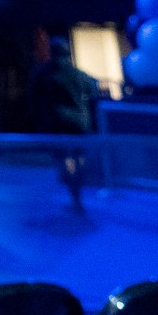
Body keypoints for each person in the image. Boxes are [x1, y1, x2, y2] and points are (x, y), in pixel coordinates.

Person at [28, 36, 101, 211]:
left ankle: (74, 193)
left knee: (64, 159)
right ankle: (77, 191)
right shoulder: (80, 75)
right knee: (79, 158)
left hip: (57, 125)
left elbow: (33, 101)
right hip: (80, 125)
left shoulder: (43, 76)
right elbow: (93, 95)